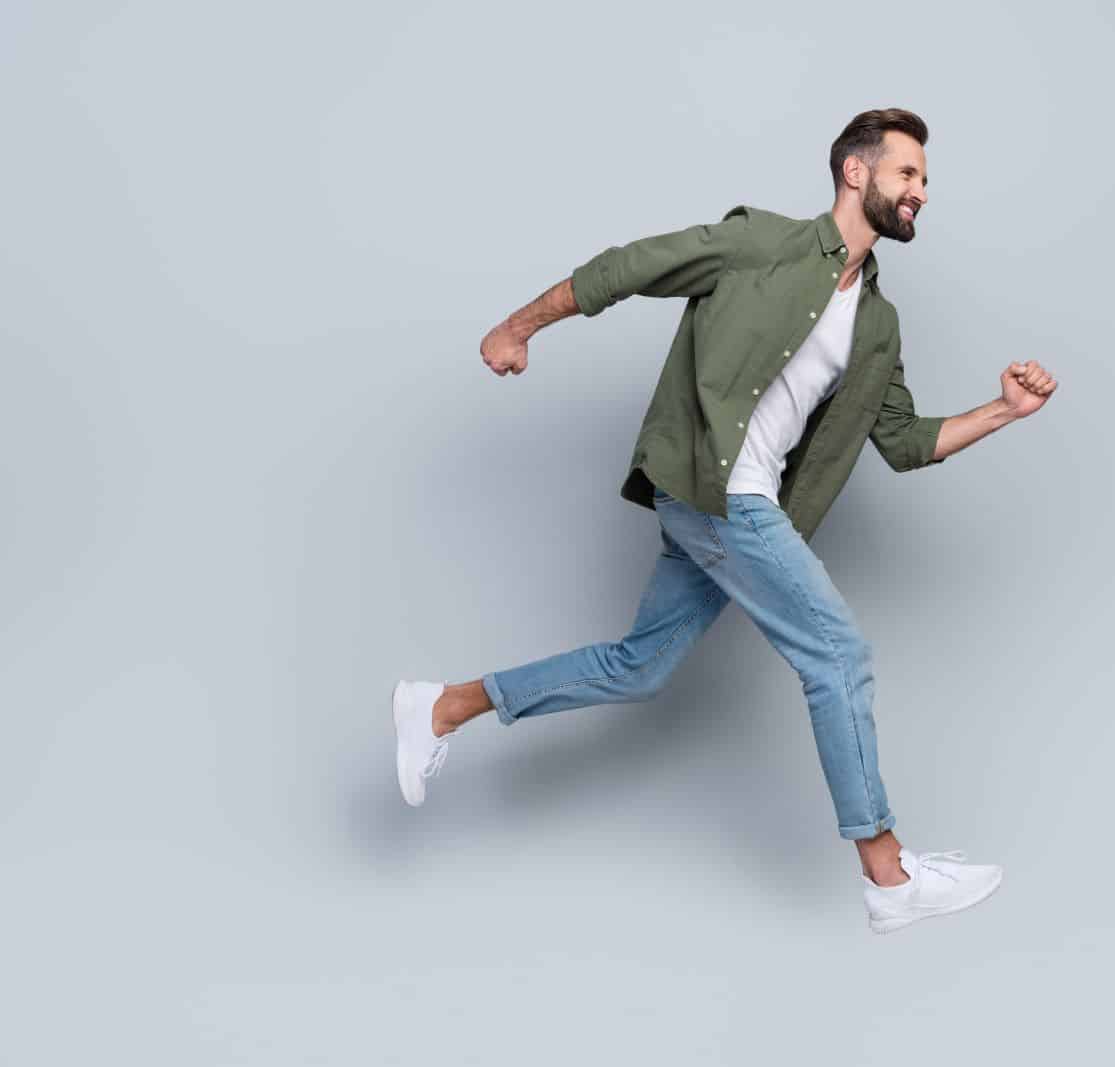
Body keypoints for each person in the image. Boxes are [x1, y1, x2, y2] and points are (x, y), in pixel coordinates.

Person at [392, 108, 1057, 934]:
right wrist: (517, 327)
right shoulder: (759, 242)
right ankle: (888, 875)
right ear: (856, 172)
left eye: (925, 179)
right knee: (838, 655)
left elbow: (904, 442)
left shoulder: (877, 323)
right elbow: (628, 267)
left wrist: (1004, 409)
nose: (921, 190)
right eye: (907, 173)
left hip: (735, 507)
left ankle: (441, 706)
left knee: (640, 666)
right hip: (718, 492)